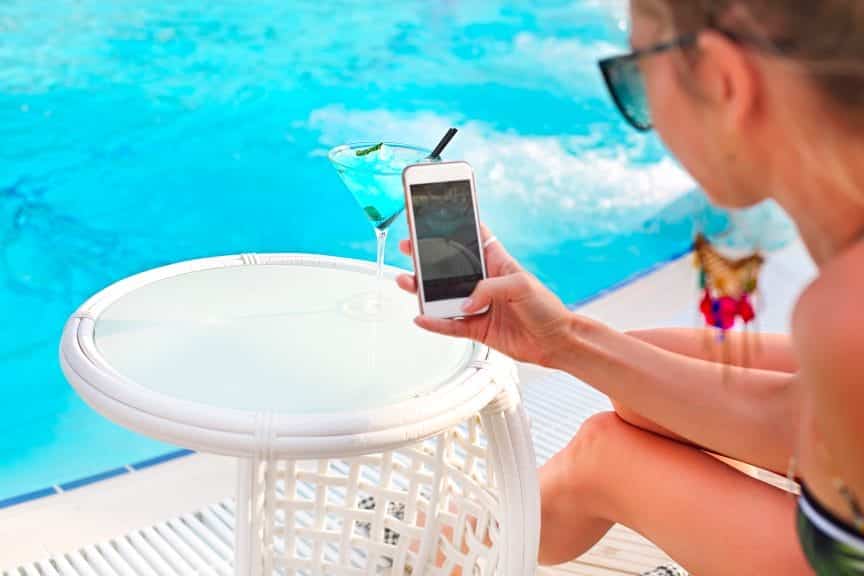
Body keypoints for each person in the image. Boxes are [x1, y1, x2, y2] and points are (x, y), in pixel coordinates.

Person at [396, 1, 864, 574]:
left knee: (605, 453)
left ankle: (412, 557)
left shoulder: (846, 312)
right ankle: (432, 548)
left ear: (723, 80)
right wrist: (563, 339)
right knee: (643, 375)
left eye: (635, 80)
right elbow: (809, 419)